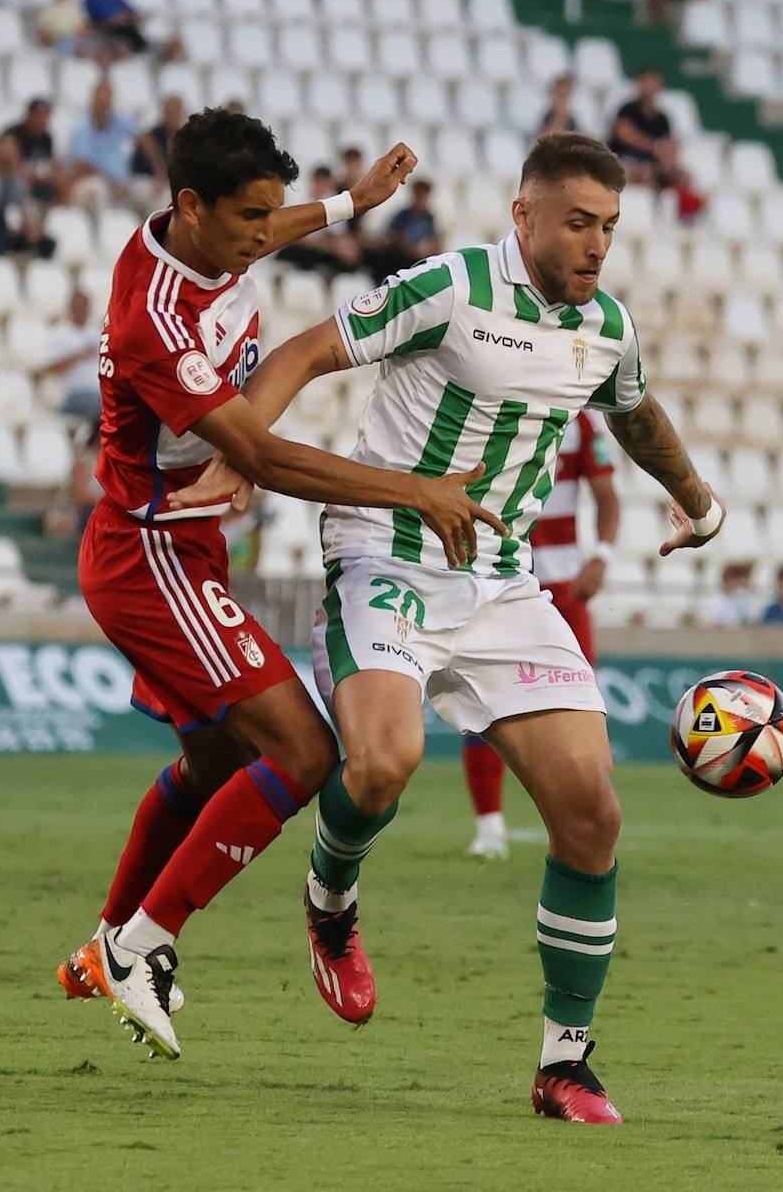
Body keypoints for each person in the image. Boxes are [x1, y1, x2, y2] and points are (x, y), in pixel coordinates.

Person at [174, 131, 725, 1121]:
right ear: (524, 216)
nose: (594, 243)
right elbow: (305, 352)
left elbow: (635, 416)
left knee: (591, 815)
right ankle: (330, 903)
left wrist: (698, 500)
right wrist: (238, 454)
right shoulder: (448, 286)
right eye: (575, 222)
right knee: (383, 762)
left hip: (500, 585)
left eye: (606, 226)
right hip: (382, 554)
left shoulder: (603, 327)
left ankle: (564, 1062)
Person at [55, 111, 501, 1062]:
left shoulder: (209, 242)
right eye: (251, 215)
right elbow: (257, 453)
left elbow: (268, 232)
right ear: (192, 206)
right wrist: (414, 491)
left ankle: (105, 940)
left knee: (220, 760)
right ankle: (143, 946)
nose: (267, 231)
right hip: (151, 559)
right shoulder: (154, 320)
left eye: (271, 213)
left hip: (184, 552)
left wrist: (348, 204)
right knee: (303, 751)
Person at [463, 408, 620, 861]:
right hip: (498, 579)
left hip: (565, 583)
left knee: (582, 707)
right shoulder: (489, 409)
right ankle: (489, 825)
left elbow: (609, 497)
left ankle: (580, 825)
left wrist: (602, 556)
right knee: (483, 701)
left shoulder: (582, 423)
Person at [67, 80, 138, 209]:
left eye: (107, 102)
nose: (104, 107)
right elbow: (83, 167)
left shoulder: (118, 120)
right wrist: (112, 183)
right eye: (101, 102)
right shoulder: (82, 128)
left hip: (121, 183)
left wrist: (159, 171)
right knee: (98, 190)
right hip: (91, 182)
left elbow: (142, 137)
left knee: (149, 191)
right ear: (93, 101)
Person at [608, 68, 682, 189]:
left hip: (652, 164)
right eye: (646, 83)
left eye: (653, 83)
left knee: (680, 176)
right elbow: (623, 133)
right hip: (626, 159)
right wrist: (654, 146)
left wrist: (668, 154)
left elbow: (669, 143)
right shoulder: (627, 110)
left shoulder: (662, 118)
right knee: (644, 173)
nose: (650, 87)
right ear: (639, 84)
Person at [279, 165, 362, 272]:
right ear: (314, 182)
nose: (324, 189)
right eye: (322, 184)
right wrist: (331, 247)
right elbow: (297, 237)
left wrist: (347, 248)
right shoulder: (299, 199)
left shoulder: (331, 199)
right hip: (297, 248)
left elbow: (339, 233)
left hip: (320, 247)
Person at [43, 290, 102, 420]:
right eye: (78, 307)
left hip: (98, 394)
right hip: (73, 396)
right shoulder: (60, 334)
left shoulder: (97, 333)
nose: (81, 311)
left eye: (84, 307)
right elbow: (52, 368)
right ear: (70, 308)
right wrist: (79, 355)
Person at [37, 0, 109, 62]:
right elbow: (43, 32)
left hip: (78, 40)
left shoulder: (76, 5)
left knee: (103, 47)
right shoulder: (47, 8)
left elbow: (85, 25)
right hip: (60, 43)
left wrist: (82, 32)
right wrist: (60, 37)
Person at [2, 98, 62, 206]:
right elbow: (4, 164)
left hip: (36, 182)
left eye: (45, 117)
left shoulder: (46, 138)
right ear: (29, 115)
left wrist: (51, 174)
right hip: (11, 183)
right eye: (38, 116)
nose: (42, 121)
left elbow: (52, 163)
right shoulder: (13, 134)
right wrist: (28, 174)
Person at [131, 94, 188, 201]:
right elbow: (140, 166)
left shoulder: (186, 139)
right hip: (147, 181)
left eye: (178, 112)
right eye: (171, 112)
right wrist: (159, 176)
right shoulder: (151, 137)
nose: (175, 116)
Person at [704, 561, 756, 627]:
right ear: (727, 579)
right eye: (735, 579)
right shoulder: (715, 601)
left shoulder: (742, 598)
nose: (738, 582)